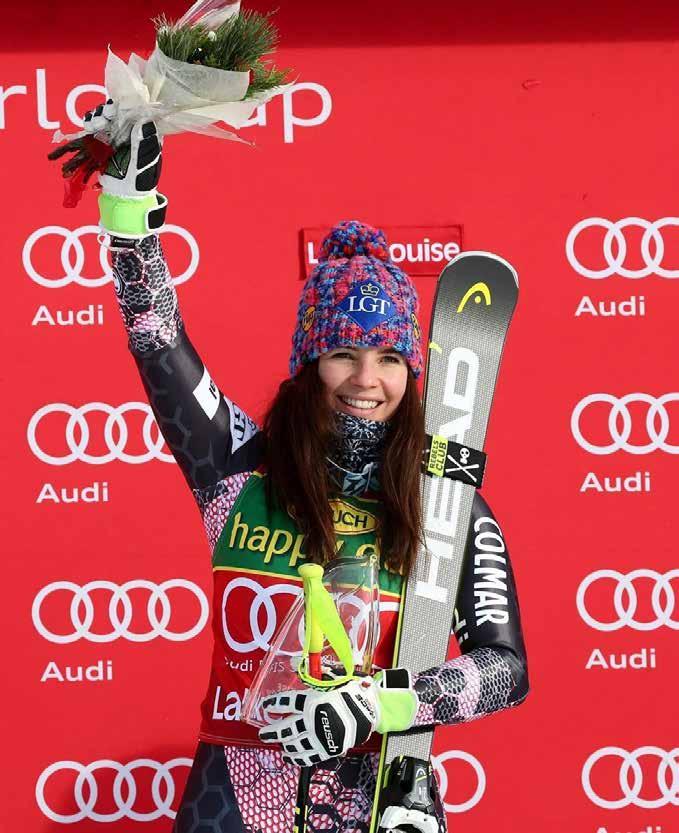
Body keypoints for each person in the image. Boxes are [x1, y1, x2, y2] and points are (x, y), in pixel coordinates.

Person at [81, 102, 529, 833]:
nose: (365, 378)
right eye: (343, 353)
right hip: (230, 799)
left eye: (388, 358)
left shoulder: (446, 506)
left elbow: (504, 667)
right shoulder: (237, 465)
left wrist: (383, 702)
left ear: (412, 373)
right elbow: (158, 342)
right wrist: (129, 221)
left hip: (380, 799)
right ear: (308, 364)